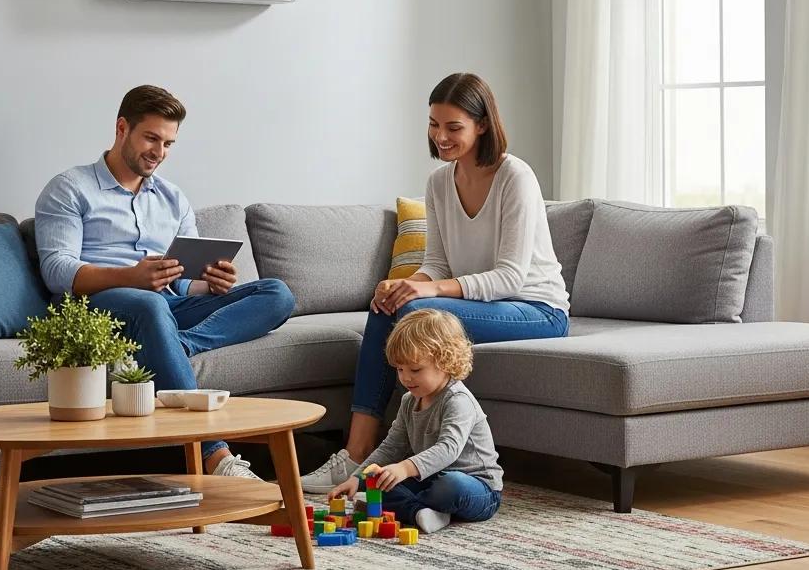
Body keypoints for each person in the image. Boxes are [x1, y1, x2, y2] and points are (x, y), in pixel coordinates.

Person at [302, 72, 569, 493]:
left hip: (536, 310)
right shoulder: (439, 183)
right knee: (389, 305)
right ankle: (355, 454)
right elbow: (437, 262)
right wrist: (406, 284)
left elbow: (511, 276)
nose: (440, 136)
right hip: (485, 305)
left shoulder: (515, 176)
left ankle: (358, 455)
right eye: (434, 124)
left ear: (482, 124)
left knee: (410, 309)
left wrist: (429, 290)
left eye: (453, 127)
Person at [34, 84, 295, 478]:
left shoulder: (173, 198)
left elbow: (183, 283)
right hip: (102, 305)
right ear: (122, 128)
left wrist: (209, 283)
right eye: (151, 138)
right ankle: (216, 456)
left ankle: (174, 344)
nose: (159, 152)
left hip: (165, 306)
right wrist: (132, 277)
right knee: (149, 303)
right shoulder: (70, 189)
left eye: (169, 143)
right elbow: (57, 270)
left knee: (276, 292)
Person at [329, 308, 502, 533]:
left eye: (415, 369)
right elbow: (391, 448)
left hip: (477, 488)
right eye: (400, 369)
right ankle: (420, 513)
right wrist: (358, 478)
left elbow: (448, 449)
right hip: (428, 480)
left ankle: (413, 505)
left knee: (450, 485)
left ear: (445, 361)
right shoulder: (409, 401)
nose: (406, 377)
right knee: (382, 482)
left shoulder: (458, 400)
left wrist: (404, 468)